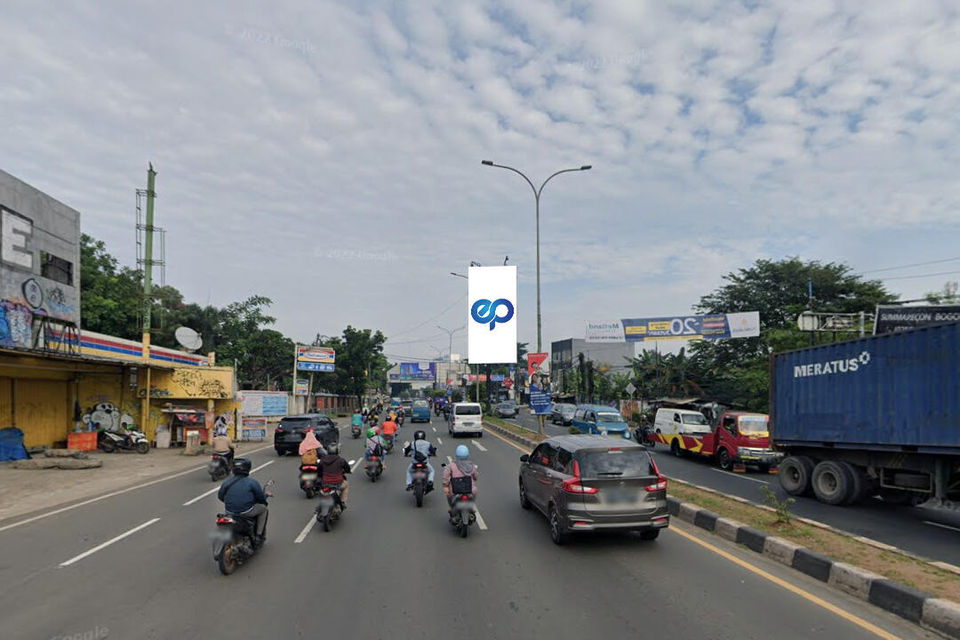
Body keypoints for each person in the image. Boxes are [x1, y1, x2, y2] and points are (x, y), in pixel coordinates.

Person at [218, 458, 270, 547]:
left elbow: (220, 496)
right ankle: (258, 535)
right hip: (246, 512)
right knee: (264, 509)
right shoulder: (252, 483)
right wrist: (265, 496)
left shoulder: (227, 482)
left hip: (229, 512)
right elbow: (260, 498)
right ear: (248, 468)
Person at [318, 442, 351, 509]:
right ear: (337, 450)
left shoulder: (322, 460)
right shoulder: (341, 460)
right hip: (338, 483)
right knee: (346, 485)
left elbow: (319, 470)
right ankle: (343, 502)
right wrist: (348, 471)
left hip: (325, 483)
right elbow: (347, 468)